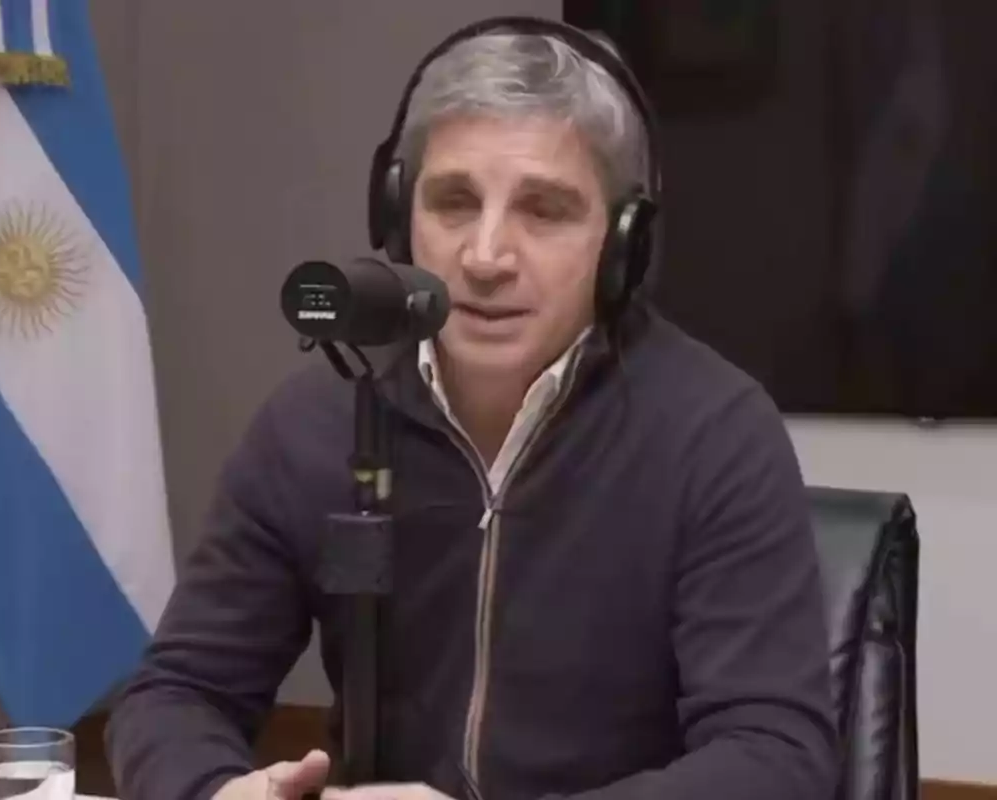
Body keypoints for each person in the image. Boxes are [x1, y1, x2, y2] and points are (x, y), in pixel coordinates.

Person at [105, 15, 839, 800]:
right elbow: (175, 695)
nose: (486, 257)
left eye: (545, 210)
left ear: (622, 245)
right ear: (398, 216)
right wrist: (216, 791)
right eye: (453, 202)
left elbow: (775, 759)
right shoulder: (317, 422)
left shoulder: (715, 434)